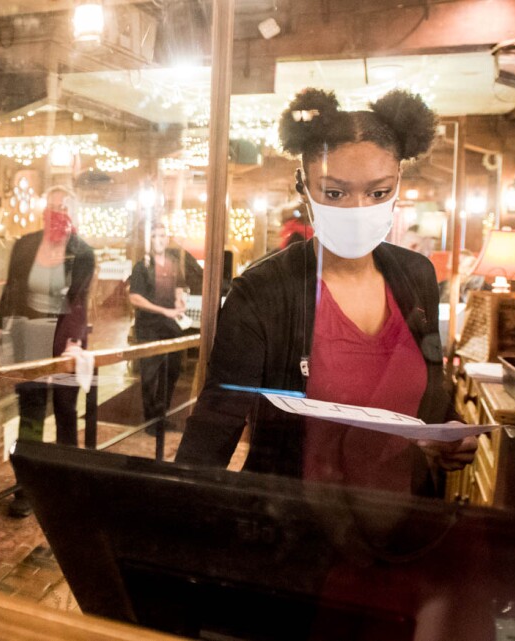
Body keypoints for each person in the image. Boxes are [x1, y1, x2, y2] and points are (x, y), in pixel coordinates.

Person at [176, 88, 477, 494]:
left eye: (378, 192)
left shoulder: (415, 276)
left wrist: (451, 432)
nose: (357, 210)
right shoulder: (264, 291)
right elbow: (216, 423)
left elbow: (429, 389)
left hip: (406, 529)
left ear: (399, 184)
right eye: (334, 193)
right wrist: (173, 514)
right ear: (303, 186)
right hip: (297, 532)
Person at [0, 186, 95, 517]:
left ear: (73, 212)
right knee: (32, 412)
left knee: (66, 411)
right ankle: (28, 486)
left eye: (63, 207)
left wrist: (74, 342)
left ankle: (68, 483)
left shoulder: (82, 252)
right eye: (51, 206)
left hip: (67, 338)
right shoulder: (25, 245)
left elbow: (78, 300)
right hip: (29, 339)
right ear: (43, 210)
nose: (57, 212)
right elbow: (11, 291)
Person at [128, 222, 189, 431]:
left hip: (170, 326)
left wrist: (180, 300)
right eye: (154, 236)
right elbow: (135, 298)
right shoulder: (142, 266)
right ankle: (150, 421)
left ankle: (161, 416)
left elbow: (179, 286)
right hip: (148, 326)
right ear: (149, 240)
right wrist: (164, 311)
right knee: (150, 375)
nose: (159, 239)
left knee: (171, 372)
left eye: (162, 235)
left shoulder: (173, 262)